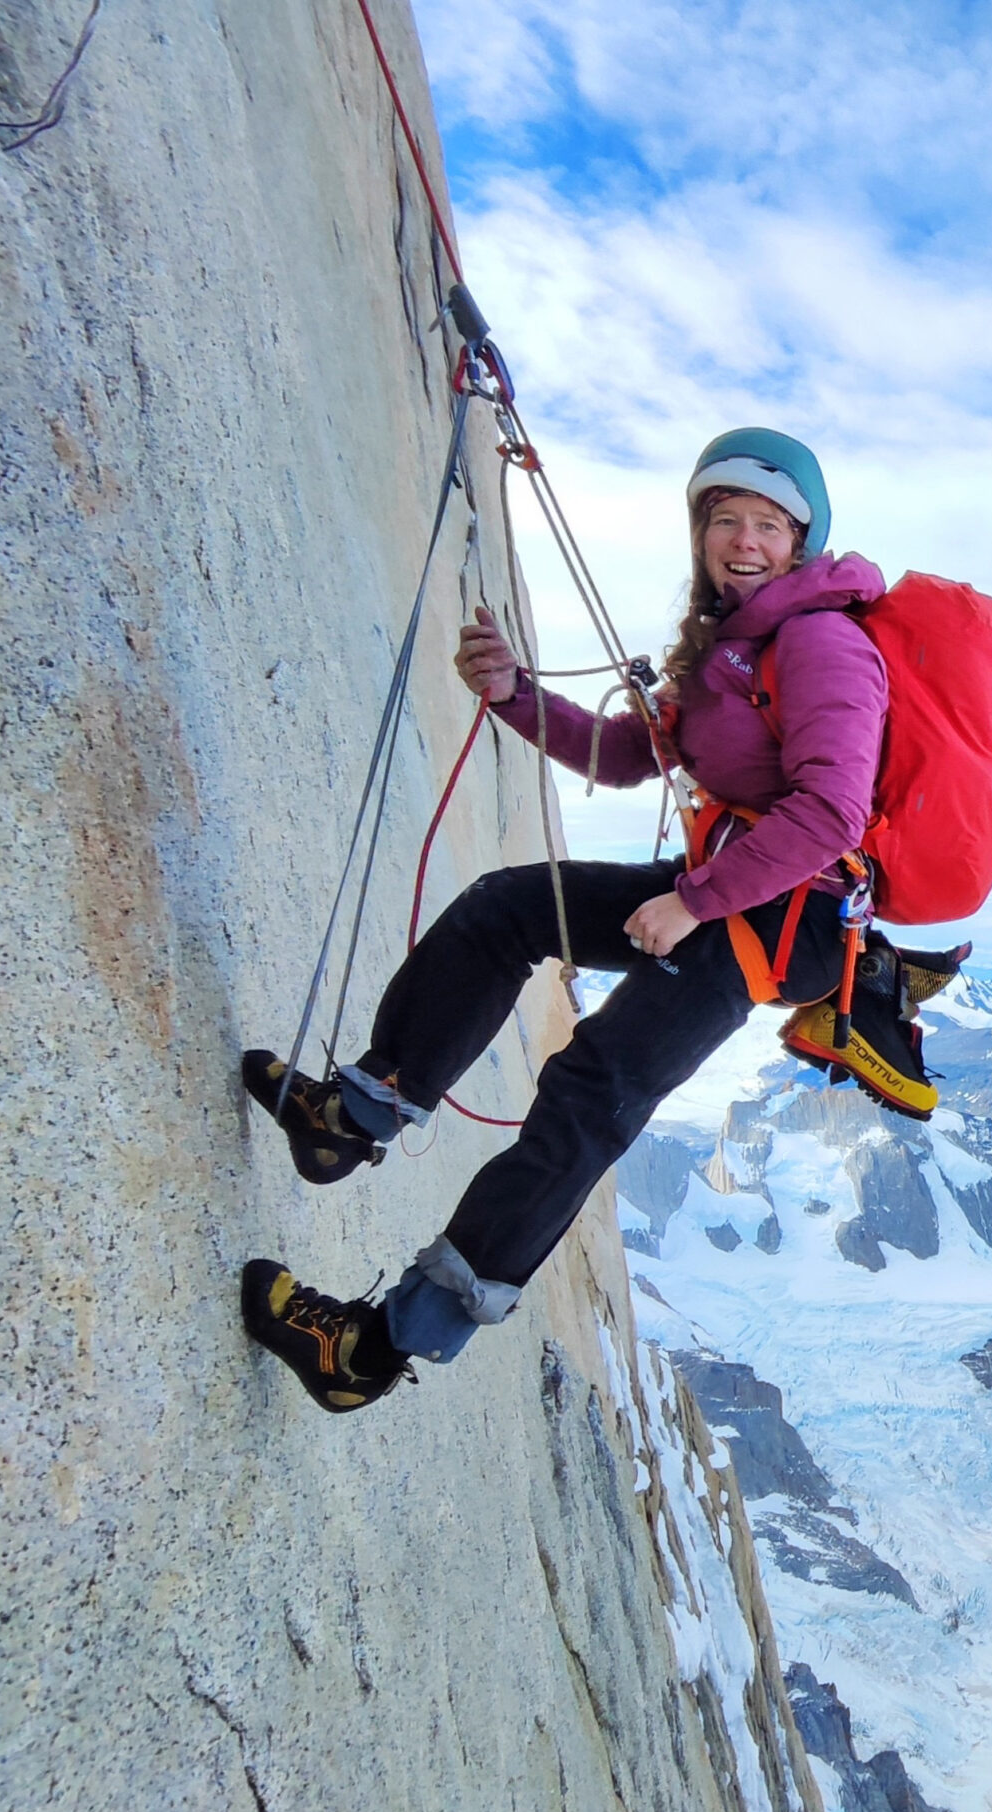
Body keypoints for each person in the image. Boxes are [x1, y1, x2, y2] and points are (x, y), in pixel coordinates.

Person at [240, 429, 885, 1412]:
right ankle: (350, 1119)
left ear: (801, 540)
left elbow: (832, 813)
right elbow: (629, 753)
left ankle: (371, 1351)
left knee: (590, 1094)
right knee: (507, 912)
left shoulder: (819, 640)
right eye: (724, 519)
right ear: (701, 532)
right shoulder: (736, 642)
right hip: (726, 890)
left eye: (767, 523)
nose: (742, 540)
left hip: (773, 920)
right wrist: (512, 696)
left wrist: (692, 901)